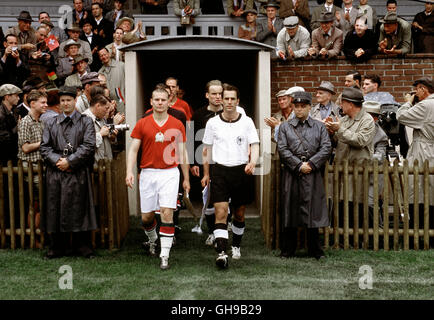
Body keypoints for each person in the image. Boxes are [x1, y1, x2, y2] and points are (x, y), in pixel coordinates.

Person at [126, 87, 190, 270]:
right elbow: (133, 150)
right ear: (151, 102)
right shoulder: (142, 123)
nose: (160, 103)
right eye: (157, 100)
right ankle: (153, 240)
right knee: (146, 218)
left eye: (164, 100)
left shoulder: (177, 124)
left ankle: (164, 256)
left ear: (169, 102)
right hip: (148, 173)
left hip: (170, 173)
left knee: (167, 213)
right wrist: (129, 171)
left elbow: (183, 152)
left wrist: (186, 178)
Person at [201, 84, 259, 269]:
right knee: (221, 211)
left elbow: (255, 144)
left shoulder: (247, 121)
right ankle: (221, 253)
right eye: (226, 98)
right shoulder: (213, 123)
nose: (229, 102)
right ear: (221, 100)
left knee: (239, 214)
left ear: (238, 101)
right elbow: (206, 150)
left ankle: (236, 245)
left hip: (241, 170)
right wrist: (206, 173)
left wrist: (252, 162)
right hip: (220, 171)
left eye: (232, 98)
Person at [40, 85, 97, 259]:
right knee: (55, 208)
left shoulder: (86, 121)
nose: (66, 103)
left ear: (75, 100)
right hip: (56, 173)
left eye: (69, 100)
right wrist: (59, 161)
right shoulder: (50, 122)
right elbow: (44, 147)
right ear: (59, 103)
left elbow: (88, 146)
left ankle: (82, 247)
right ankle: (57, 247)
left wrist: (70, 161)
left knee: (80, 208)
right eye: (63, 100)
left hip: (77, 172)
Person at [277, 91, 331, 259]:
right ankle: (288, 250)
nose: (299, 110)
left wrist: (312, 164)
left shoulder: (319, 126)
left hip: (312, 173)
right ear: (293, 107)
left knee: (313, 210)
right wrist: (299, 165)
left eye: (303, 106)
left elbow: (326, 147)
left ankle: (315, 250)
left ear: (309, 107)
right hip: (292, 172)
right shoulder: (285, 127)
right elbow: (283, 149)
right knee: (290, 209)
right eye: (297, 106)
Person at [397, 77, 434, 208]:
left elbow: (401, 116)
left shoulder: (425, 105)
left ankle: (420, 222)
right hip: (430, 148)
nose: (415, 93)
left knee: (419, 188)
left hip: (423, 149)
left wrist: (408, 102)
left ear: (423, 89)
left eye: (417, 90)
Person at [325, 87, 375, 163]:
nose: (340, 105)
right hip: (341, 168)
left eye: (342, 103)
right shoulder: (343, 120)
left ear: (351, 105)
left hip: (360, 170)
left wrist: (339, 129)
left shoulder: (367, 120)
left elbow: (360, 141)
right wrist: (331, 133)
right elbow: (336, 144)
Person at [18, 90, 47, 169]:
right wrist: (44, 142)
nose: (46, 105)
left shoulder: (41, 122)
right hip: (30, 167)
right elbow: (25, 148)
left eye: (46, 102)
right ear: (33, 104)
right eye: (43, 102)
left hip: (41, 166)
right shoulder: (25, 122)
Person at [82, 93, 116, 161]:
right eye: (106, 108)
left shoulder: (102, 118)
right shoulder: (84, 119)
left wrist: (112, 136)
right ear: (98, 106)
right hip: (93, 165)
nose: (107, 111)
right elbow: (84, 144)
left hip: (106, 163)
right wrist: (100, 134)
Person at [98, 47, 125, 114]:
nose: (104, 57)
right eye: (101, 56)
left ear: (109, 54)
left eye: (105, 54)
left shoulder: (121, 66)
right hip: (109, 105)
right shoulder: (100, 72)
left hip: (122, 102)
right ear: (99, 58)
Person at [0, 84, 22, 166]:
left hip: (13, 156)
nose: (18, 98)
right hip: (5, 158)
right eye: (16, 96)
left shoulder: (14, 111)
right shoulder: (1, 115)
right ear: (7, 97)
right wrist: (18, 127)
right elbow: (3, 138)